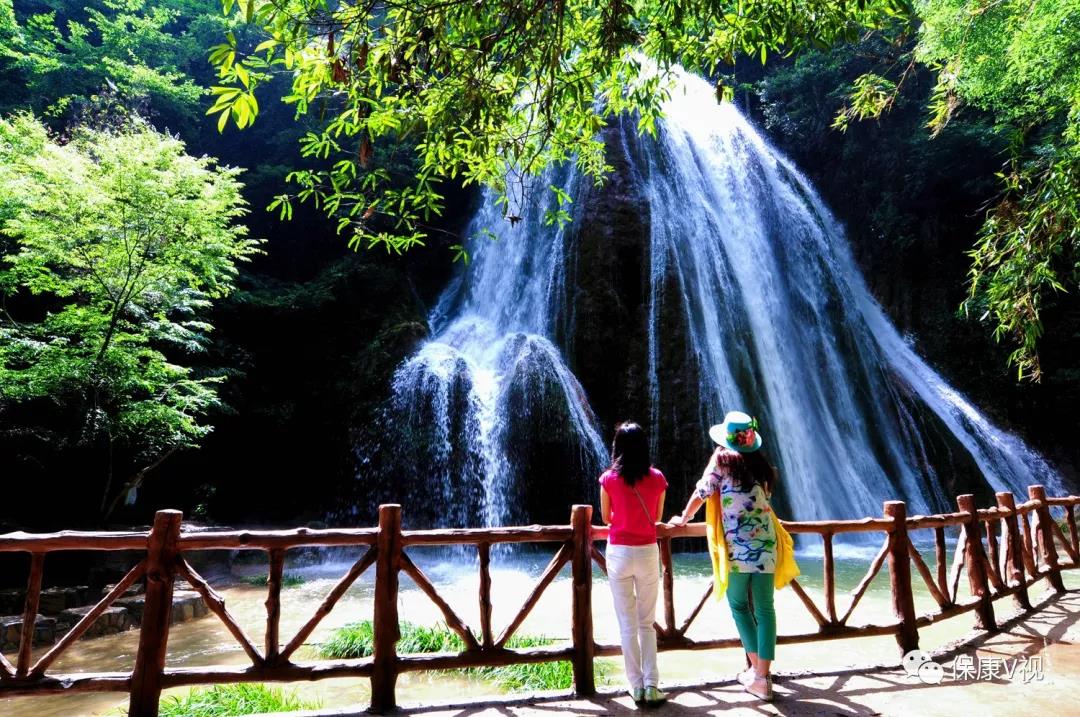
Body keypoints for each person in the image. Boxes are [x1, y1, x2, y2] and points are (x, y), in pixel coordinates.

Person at [669, 411, 798, 702]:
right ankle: (761, 675)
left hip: (739, 547)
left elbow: (703, 491)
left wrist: (684, 517)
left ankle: (758, 675)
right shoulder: (760, 465)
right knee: (765, 609)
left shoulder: (723, 459)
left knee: (739, 605)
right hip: (766, 544)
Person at [599, 421, 669, 705]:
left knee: (626, 624)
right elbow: (656, 516)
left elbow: (606, 518)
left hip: (618, 553)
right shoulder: (657, 478)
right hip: (647, 552)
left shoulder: (608, 479)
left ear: (617, 447)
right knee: (647, 623)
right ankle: (652, 685)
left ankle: (636, 686)